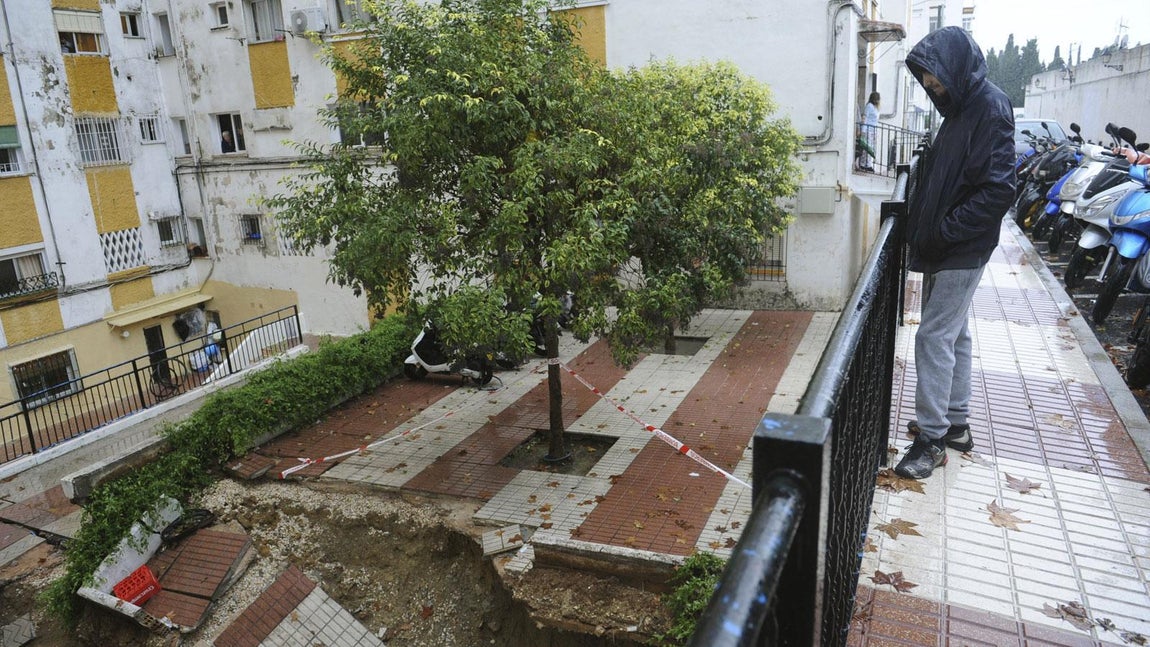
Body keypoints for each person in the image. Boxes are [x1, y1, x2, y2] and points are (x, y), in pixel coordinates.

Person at [896, 26, 1016, 479]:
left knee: (933, 336)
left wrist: (944, 232)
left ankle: (932, 440)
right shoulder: (962, 107)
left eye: (935, 78)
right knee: (954, 333)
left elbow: (998, 189)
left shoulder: (989, 107)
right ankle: (955, 425)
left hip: (961, 248)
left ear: (954, 68)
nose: (930, 87)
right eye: (926, 80)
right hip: (950, 245)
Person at [861, 92, 880, 171]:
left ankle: (868, 163)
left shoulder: (875, 108)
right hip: (868, 130)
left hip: (873, 130)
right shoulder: (869, 106)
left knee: (871, 148)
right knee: (867, 147)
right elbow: (865, 118)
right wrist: (863, 130)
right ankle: (864, 164)